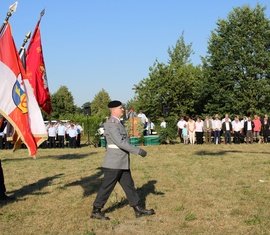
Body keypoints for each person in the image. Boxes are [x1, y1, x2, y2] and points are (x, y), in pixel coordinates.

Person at [91, 100, 155, 220]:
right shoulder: (111, 124)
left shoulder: (118, 123)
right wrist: (138, 151)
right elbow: (120, 142)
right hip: (114, 162)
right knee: (107, 187)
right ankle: (96, 210)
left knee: (129, 186)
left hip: (121, 161)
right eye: (121, 108)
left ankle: (137, 209)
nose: (123, 110)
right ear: (114, 110)